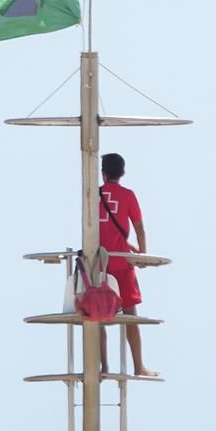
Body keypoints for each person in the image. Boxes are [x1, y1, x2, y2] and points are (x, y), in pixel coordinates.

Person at [97, 153, 157, 378]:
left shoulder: (93, 194)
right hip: (122, 263)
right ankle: (139, 366)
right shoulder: (128, 196)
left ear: (103, 173)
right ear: (122, 173)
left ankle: (103, 366)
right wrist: (141, 253)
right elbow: (140, 227)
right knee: (131, 315)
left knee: (97, 313)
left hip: (98, 263)